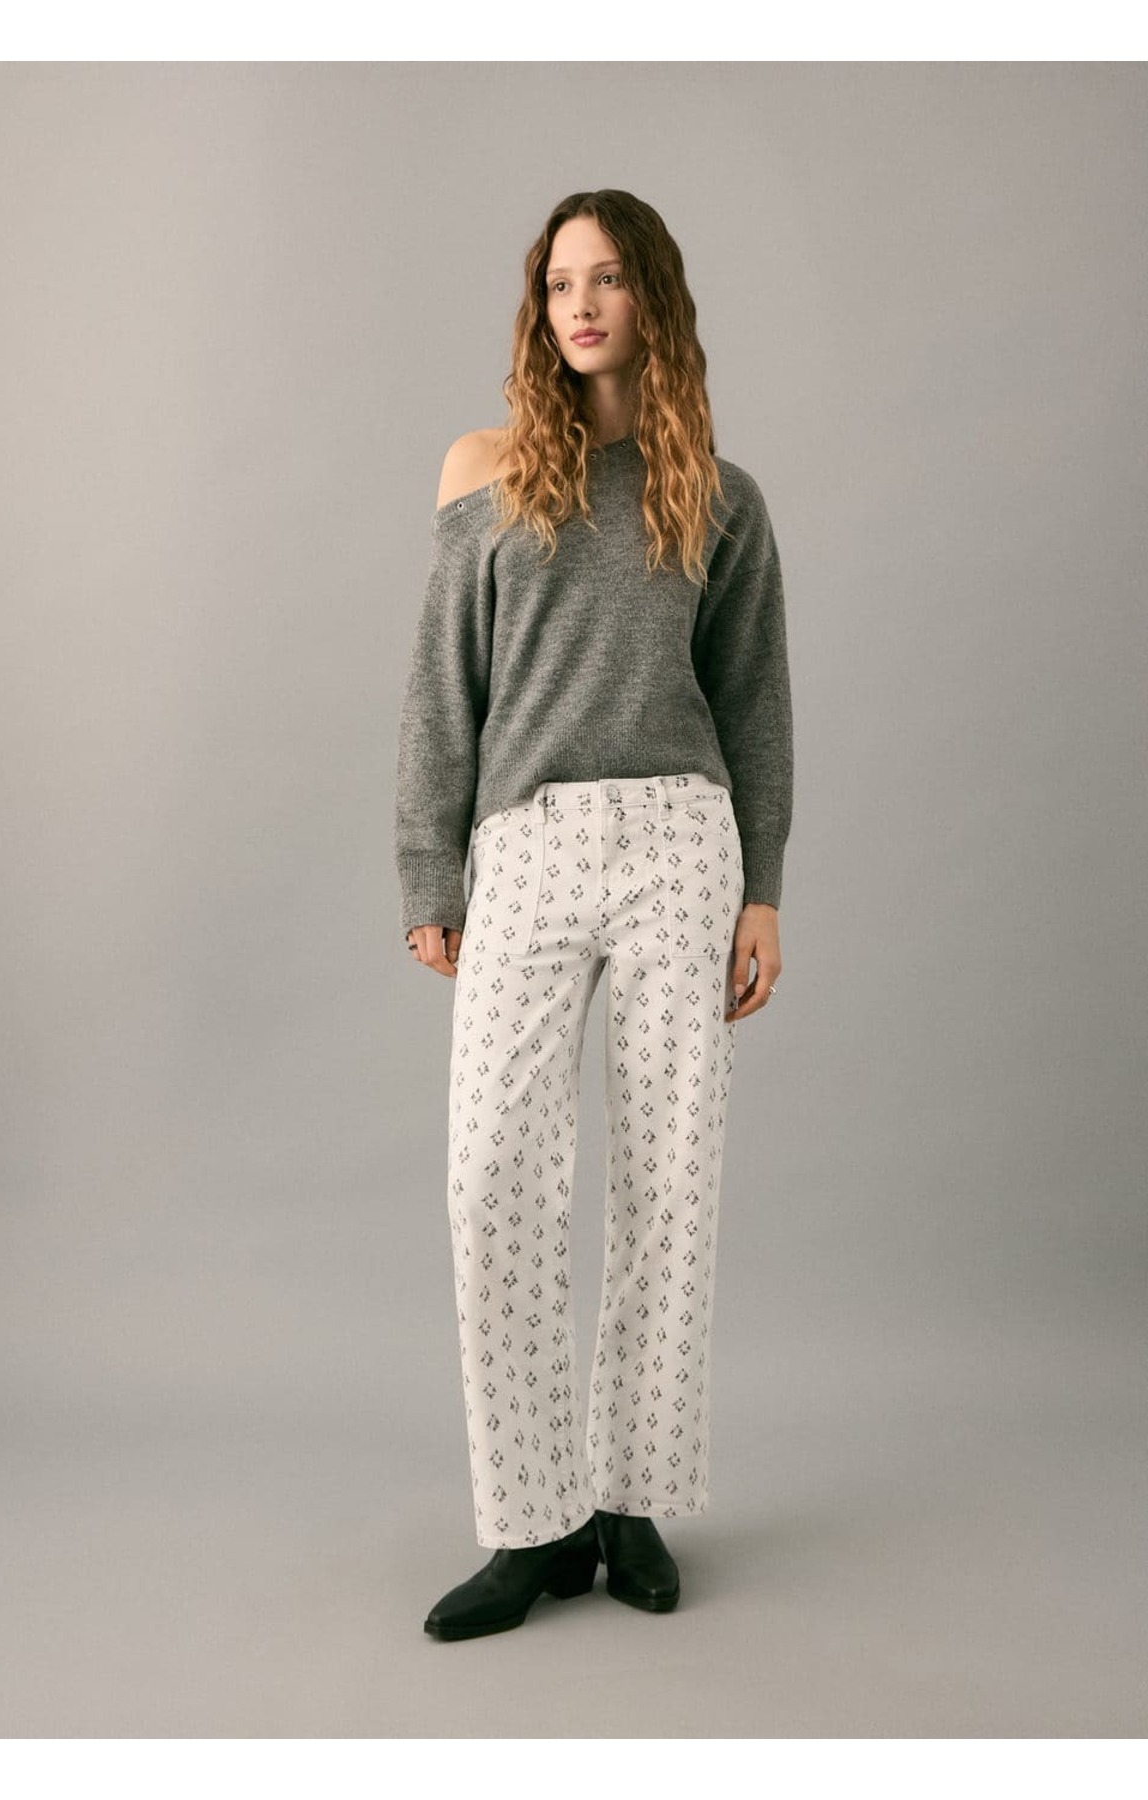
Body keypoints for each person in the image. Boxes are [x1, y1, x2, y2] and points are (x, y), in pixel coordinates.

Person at [393, 189, 794, 1642]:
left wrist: (763, 889)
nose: (580, 303)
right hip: (531, 841)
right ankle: (533, 1523)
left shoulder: (719, 495)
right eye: (560, 281)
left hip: (683, 839)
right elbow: (443, 683)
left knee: (670, 1177)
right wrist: (429, 871)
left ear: (651, 299)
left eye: (608, 278)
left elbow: (753, 702)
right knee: (492, 1173)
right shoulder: (485, 470)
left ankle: (630, 1502)